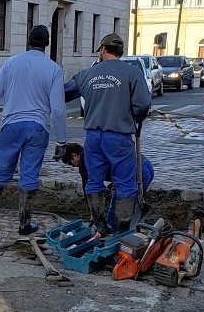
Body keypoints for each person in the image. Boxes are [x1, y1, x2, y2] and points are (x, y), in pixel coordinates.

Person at [0, 25, 68, 235]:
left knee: (0, 173)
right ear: (47, 43)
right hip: (37, 128)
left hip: (10, 126)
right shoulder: (54, 69)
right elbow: (59, 110)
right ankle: (24, 224)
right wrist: (61, 141)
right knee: (29, 175)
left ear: (28, 41)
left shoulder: (10, 63)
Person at [63, 33, 152, 236]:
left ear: (103, 50)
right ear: (120, 52)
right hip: (119, 137)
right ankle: (121, 231)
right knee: (126, 184)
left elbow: (65, 93)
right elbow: (143, 105)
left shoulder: (86, 74)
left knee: (94, 182)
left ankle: (100, 226)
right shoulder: (132, 73)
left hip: (93, 137)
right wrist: (134, 116)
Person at [58, 143, 154, 234]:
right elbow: (113, 162)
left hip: (135, 172)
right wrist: (115, 181)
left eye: (70, 163)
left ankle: (118, 235)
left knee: (116, 211)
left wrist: (94, 212)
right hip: (146, 166)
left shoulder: (85, 163)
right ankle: (131, 229)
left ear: (75, 156)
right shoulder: (95, 152)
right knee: (133, 202)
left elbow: (88, 189)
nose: (73, 166)